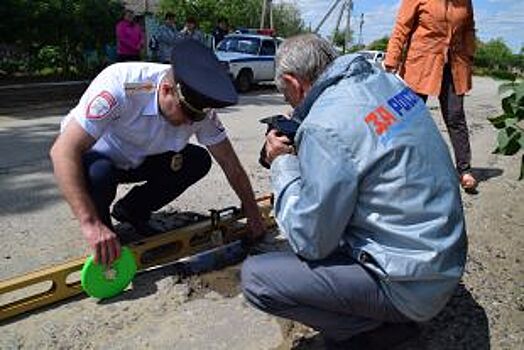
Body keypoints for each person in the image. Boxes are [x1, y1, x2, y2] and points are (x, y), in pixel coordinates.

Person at [241, 34, 467, 349]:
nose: (291, 105)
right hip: (442, 258)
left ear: (294, 82)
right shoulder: (388, 83)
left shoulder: (325, 125)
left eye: (286, 95)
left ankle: (373, 332)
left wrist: (283, 163)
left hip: (411, 288)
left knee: (257, 279)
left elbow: (310, 242)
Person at [50, 39, 265, 267]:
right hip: (99, 157)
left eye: (196, 117)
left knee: (197, 161)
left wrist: (252, 211)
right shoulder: (122, 86)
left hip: (142, 156)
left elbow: (229, 162)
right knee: (99, 174)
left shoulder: (197, 108)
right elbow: (62, 151)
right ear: (166, 90)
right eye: (187, 114)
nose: (189, 123)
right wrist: (90, 223)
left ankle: (133, 210)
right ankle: (104, 229)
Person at [384, 0, 478, 191]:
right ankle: (395, 168)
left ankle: (464, 170)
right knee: (408, 117)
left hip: (454, 65)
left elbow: (469, 27)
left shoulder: (465, 2)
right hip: (421, 64)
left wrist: (469, 54)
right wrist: (391, 60)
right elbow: (402, 28)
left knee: (455, 116)